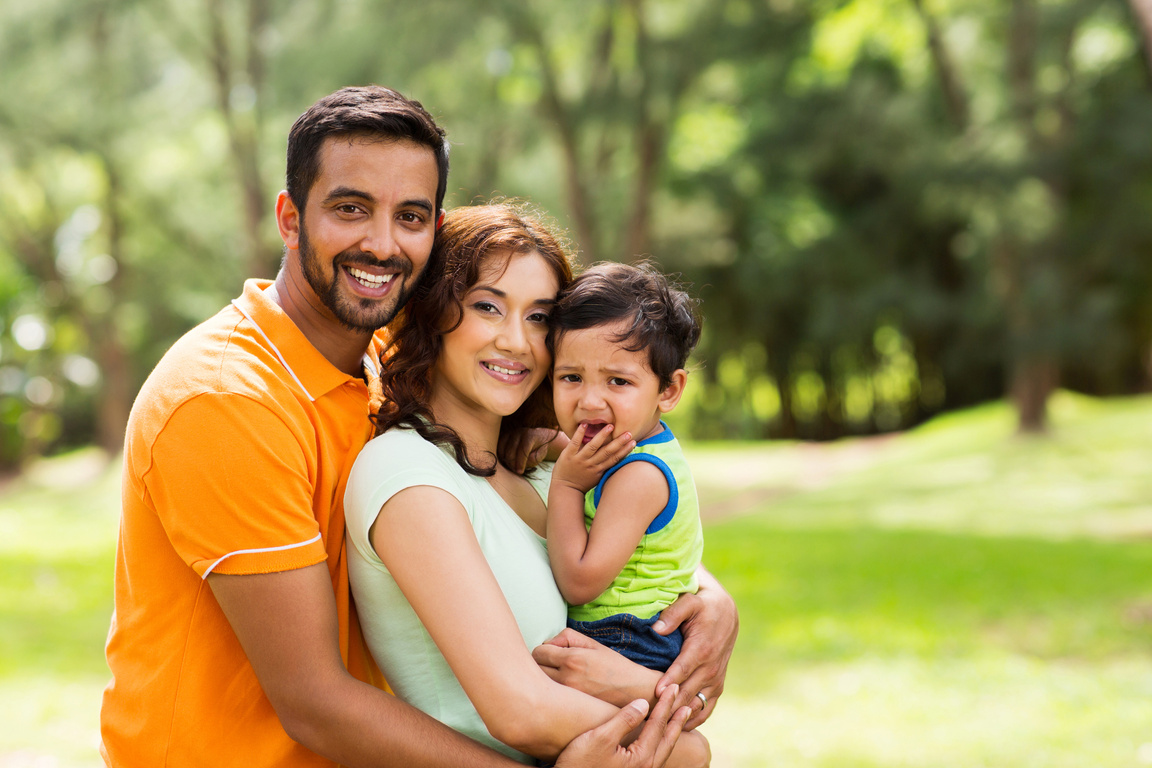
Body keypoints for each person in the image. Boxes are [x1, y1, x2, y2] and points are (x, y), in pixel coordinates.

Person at [99, 86, 697, 768]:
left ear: (433, 233)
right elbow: (314, 702)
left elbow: (606, 519)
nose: (382, 244)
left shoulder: (392, 370)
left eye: (409, 216)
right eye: (351, 209)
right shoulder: (224, 401)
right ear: (290, 219)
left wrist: (708, 602)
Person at [344, 204, 711, 767]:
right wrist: (678, 729)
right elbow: (521, 711)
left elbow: (644, 558)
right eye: (488, 307)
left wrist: (713, 602)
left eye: (539, 318)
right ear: (435, 314)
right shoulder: (407, 474)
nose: (516, 341)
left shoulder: (541, 468)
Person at [545, 262, 703, 675]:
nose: (590, 401)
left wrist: (565, 485)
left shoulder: (640, 477)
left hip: (627, 641)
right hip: (629, 636)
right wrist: (550, 445)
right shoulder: (633, 446)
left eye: (617, 381)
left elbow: (579, 582)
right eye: (571, 377)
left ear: (668, 390)